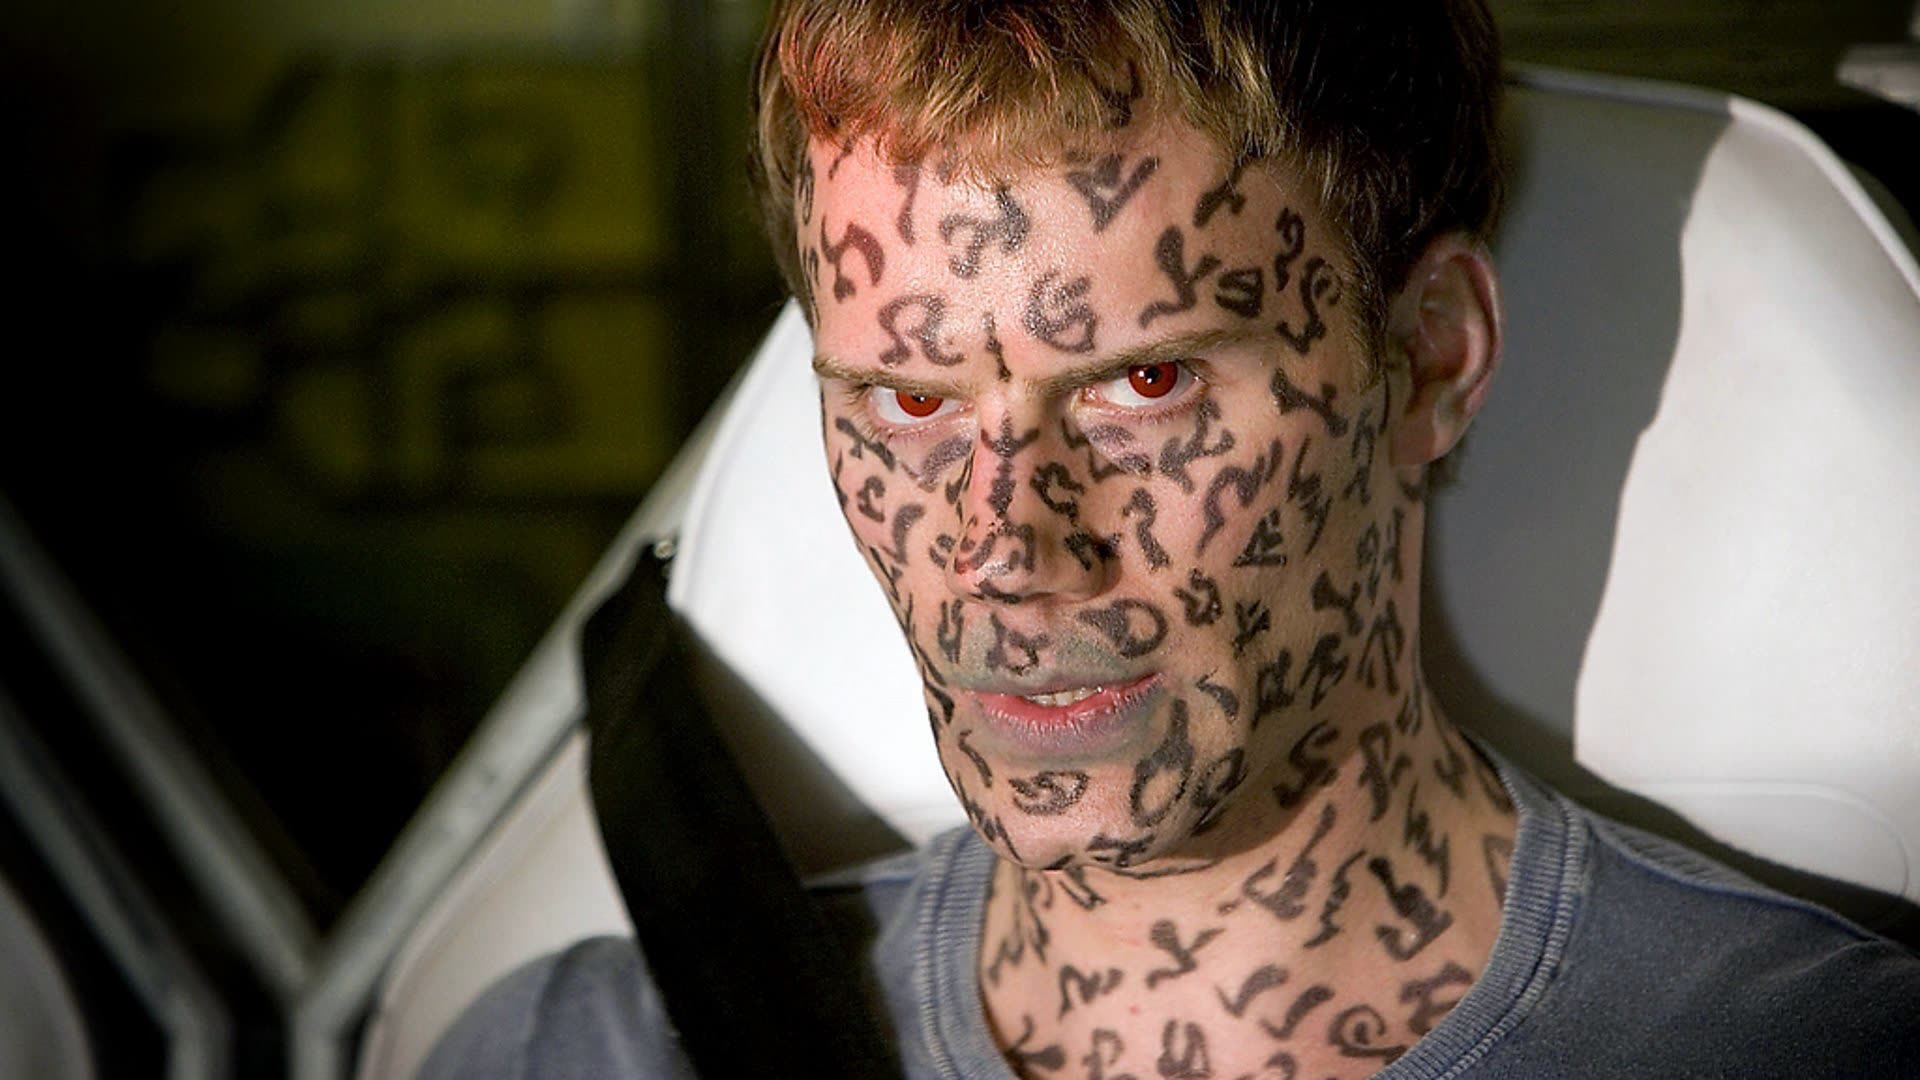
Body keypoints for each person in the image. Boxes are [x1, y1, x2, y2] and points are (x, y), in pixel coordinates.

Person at [426, 2, 1920, 1077]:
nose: (1003, 549)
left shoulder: (1802, 1048)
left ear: (1427, 360)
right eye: (909, 398)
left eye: (1143, 385)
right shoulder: (594, 1049)